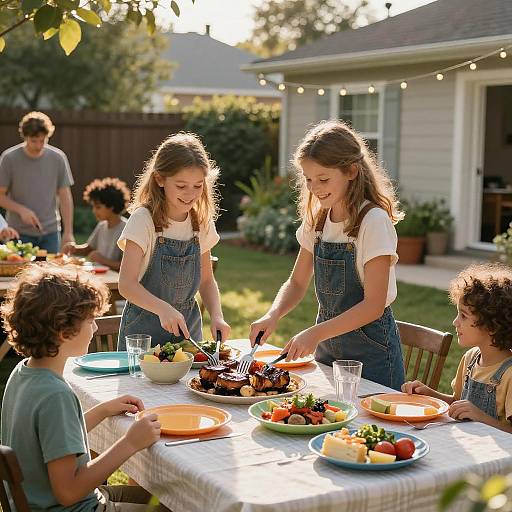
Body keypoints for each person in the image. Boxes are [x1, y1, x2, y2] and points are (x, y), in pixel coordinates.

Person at [249, 120, 405, 390]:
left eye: (323, 179)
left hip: (373, 356)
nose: (315, 188)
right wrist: (272, 315)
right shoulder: (318, 219)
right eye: (308, 180)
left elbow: (374, 305)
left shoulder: (374, 222)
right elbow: (297, 283)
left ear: (351, 171)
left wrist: (315, 333)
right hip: (329, 350)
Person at [0, 263, 168, 511]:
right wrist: (130, 443)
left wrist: (102, 410)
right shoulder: (55, 395)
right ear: (63, 331)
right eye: (91, 321)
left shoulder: (24, 373)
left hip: (38, 502)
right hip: (75, 507)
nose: (96, 328)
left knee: (168, 496)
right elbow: (68, 492)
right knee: (177, 504)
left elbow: (52, 439)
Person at [117, 132, 230, 349]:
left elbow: (207, 281)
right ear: (160, 179)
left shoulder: (201, 222)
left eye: (198, 186)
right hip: (143, 334)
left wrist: (217, 316)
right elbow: (126, 285)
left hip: (188, 332)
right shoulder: (143, 220)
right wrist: (163, 309)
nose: (190, 194)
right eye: (181, 186)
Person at [402, 263, 512, 433]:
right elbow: (457, 403)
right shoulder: (471, 358)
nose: (455, 322)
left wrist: (482, 418)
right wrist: (429, 394)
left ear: (492, 325)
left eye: (463, 315)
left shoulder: (509, 375)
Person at [0, 111, 75, 253]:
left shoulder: (58, 158)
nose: (39, 146)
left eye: (43, 140)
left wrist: (68, 232)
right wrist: (22, 210)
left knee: (51, 275)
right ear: (25, 136)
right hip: (18, 232)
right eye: (34, 141)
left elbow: (65, 197)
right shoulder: (9, 159)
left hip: (51, 233)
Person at [64, 178, 131, 271]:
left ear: (111, 206)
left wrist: (102, 260)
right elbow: (89, 249)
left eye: (98, 207)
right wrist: (74, 248)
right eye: (93, 207)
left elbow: (127, 266)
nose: (94, 211)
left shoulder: (126, 229)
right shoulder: (102, 225)